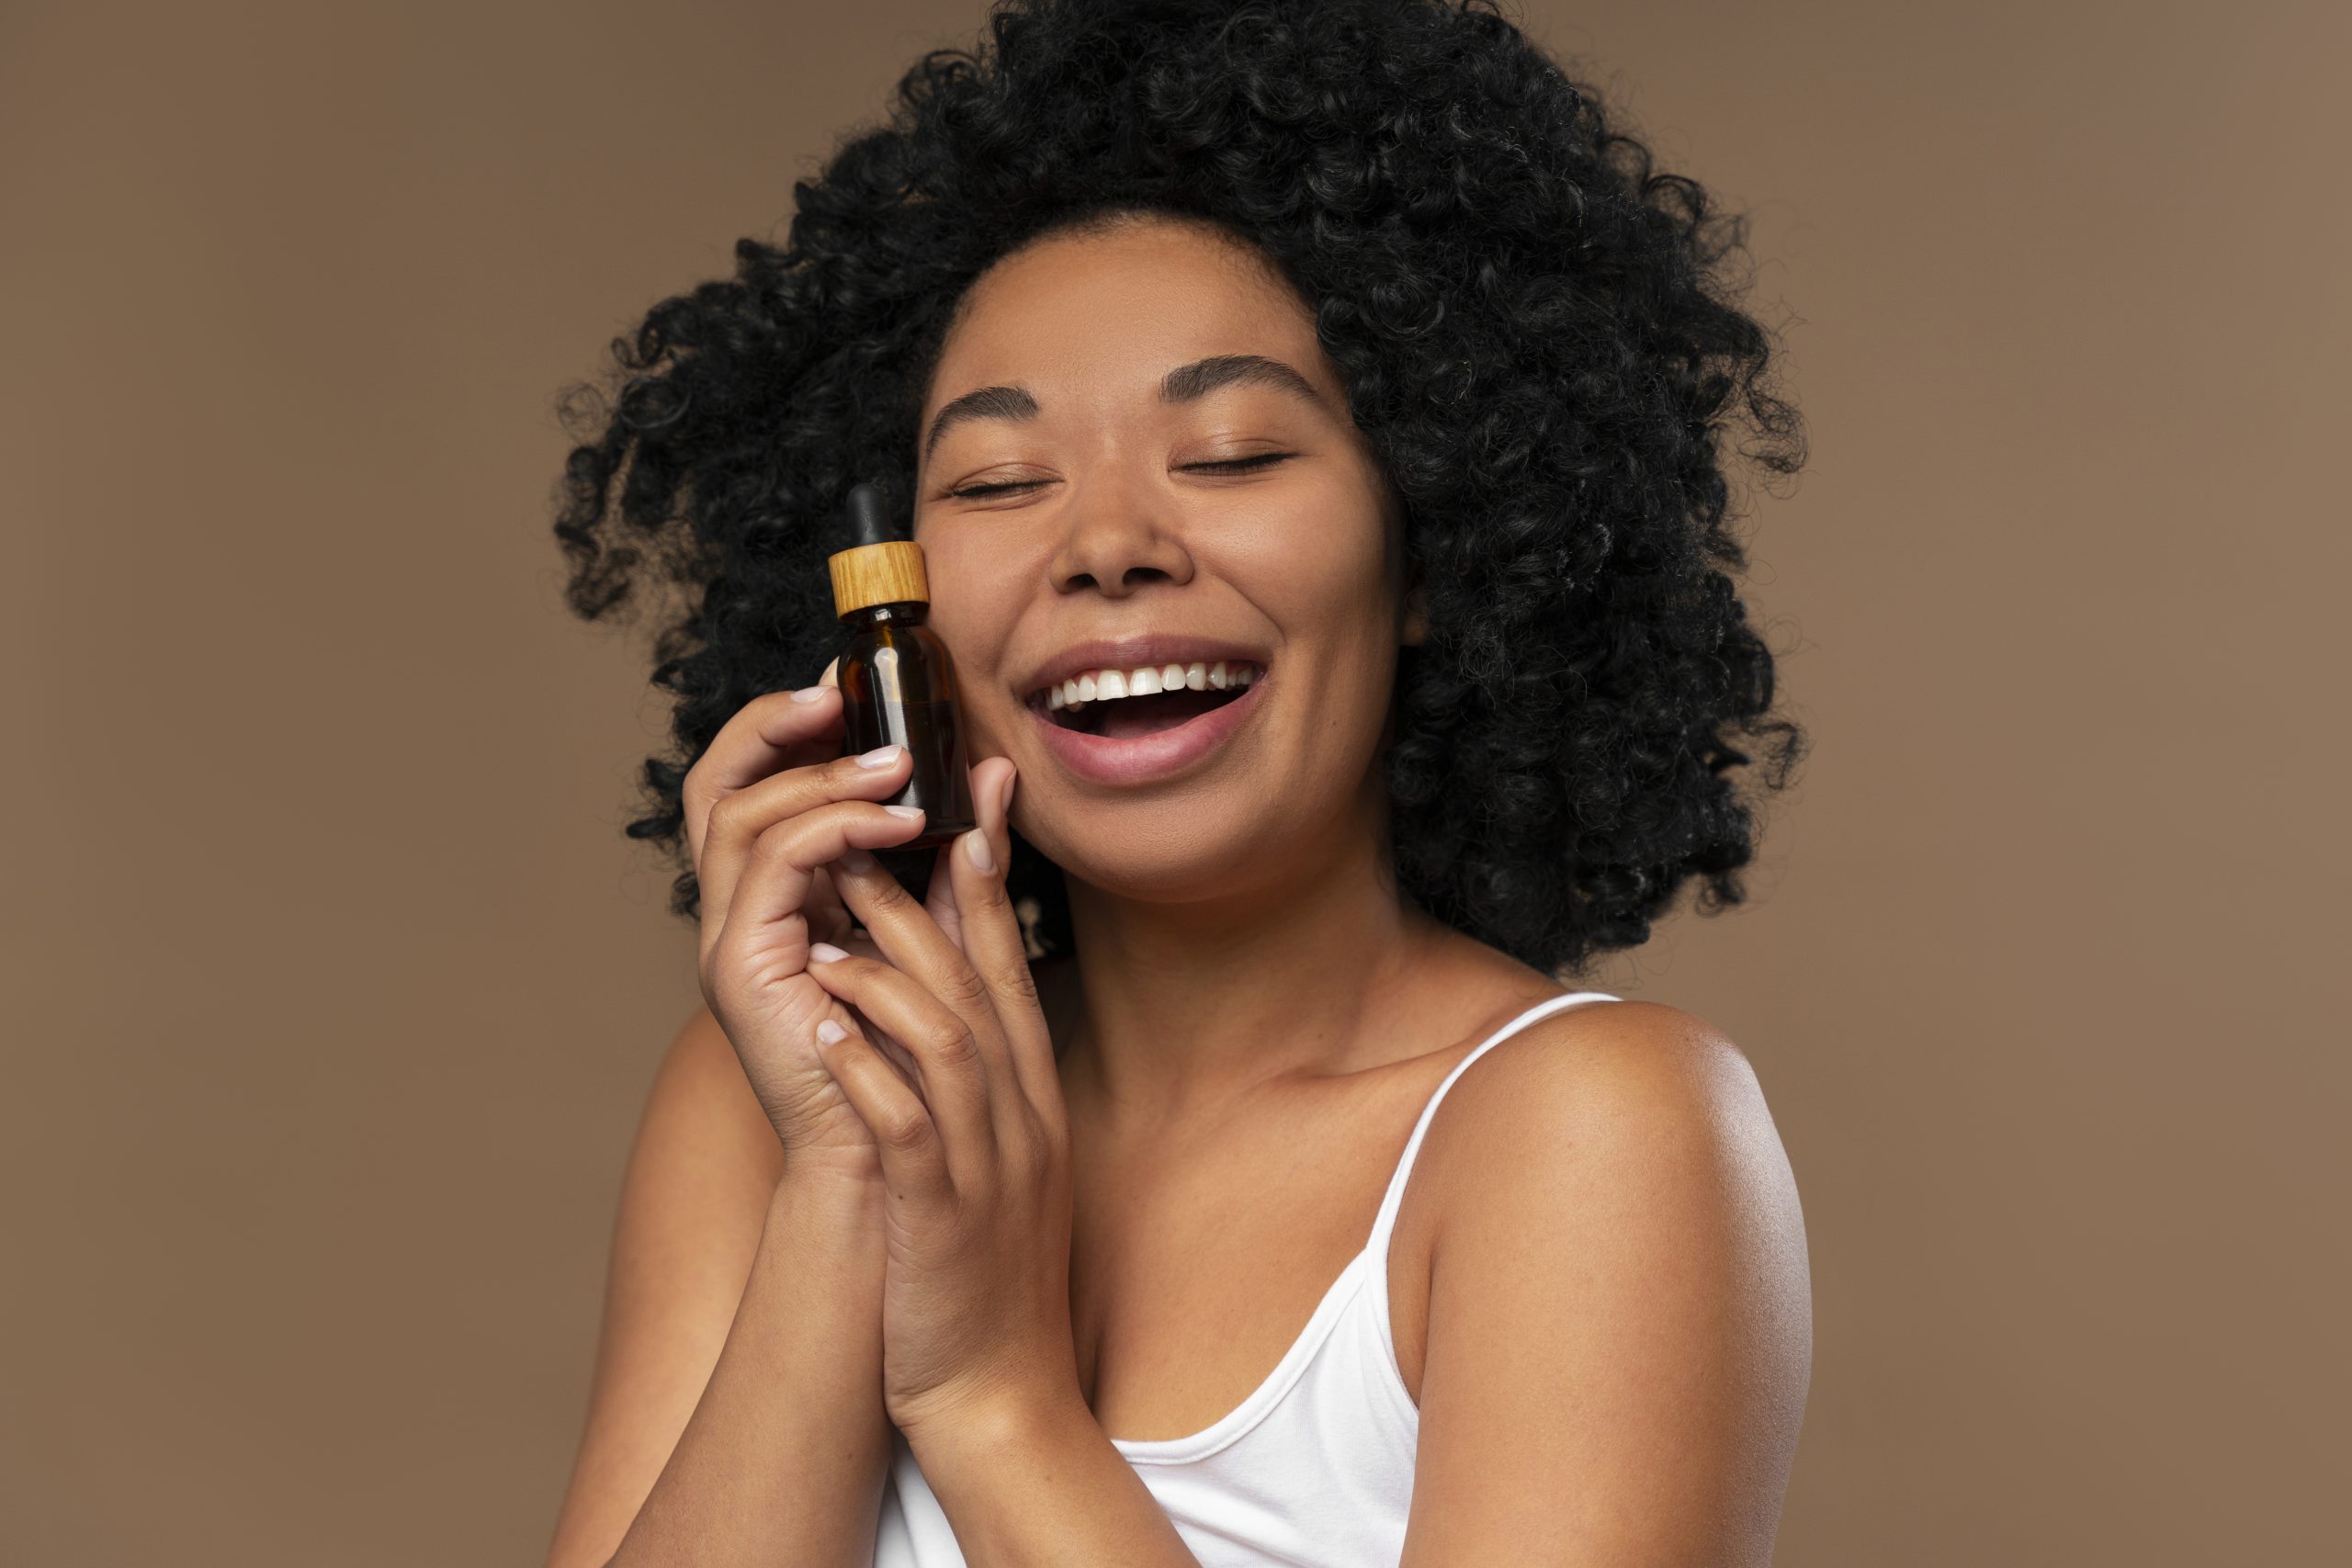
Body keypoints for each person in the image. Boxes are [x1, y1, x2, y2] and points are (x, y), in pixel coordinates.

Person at [541, 2, 1813, 1563]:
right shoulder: (770, 1103)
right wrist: (847, 1177)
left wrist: (993, 1397)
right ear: (899, 603)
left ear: (1433, 540)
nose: (1107, 543)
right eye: (999, 481)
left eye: (1231, 454)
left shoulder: (1592, 1132)